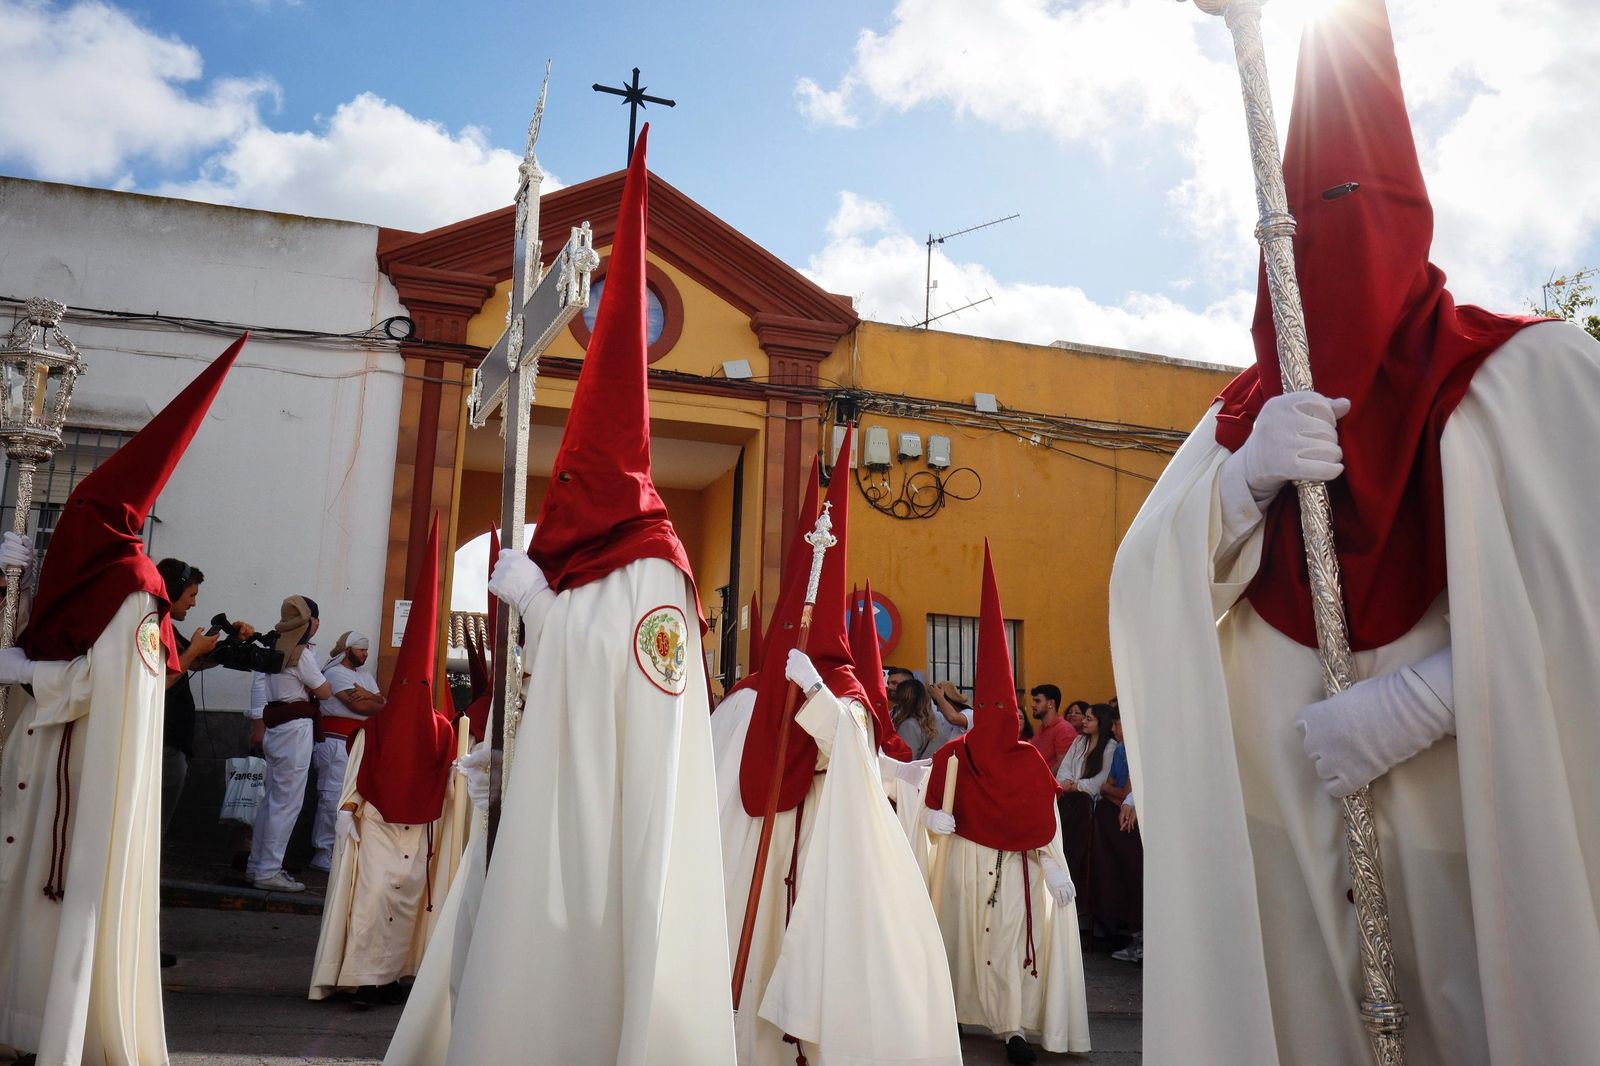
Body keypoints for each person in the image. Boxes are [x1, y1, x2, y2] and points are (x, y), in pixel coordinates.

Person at [1110, 2, 1600, 1061]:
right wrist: (1238, 488)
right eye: (1306, 219)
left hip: (1486, 835)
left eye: (1358, 209)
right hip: (1292, 854)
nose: (1331, 246)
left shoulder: (1536, 374)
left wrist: (1433, 695)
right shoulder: (1237, 421)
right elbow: (1142, 585)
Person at [393, 129, 737, 1065]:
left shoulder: (658, 565)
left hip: (608, 838)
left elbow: (644, 688)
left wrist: (542, 612)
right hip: (551, 794)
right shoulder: (592, 561)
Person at [0, 336, 245, 1065]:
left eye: (77, 510)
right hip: (46, 759)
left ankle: (55, 1033)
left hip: (81, 768)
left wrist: (22, 672)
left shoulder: (135, 590)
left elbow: (101, 683)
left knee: (57, 904)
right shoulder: (89, 582)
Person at [723, 424, 959, 1066]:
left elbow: (854, 753)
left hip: (821, 839)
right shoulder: (747, 694)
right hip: (756, 849)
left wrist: (821, 701)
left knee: (801, 951)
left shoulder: (846, 690)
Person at [924, 544, 1091, 1063]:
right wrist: (936, 820)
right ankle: (950, 1014)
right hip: (965, 866)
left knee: (1011, 948)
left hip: (1015, 866)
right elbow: (933, 811)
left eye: (1008, 709)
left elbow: (1043, 821)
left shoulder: (1028, 762)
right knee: (962, 942)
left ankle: (1013, 1027)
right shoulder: (954, 753)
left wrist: (1054, 866)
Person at [311, 517, 461, 1005]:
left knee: (409, 896)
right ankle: (363, 976)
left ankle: (400, 973)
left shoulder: (440, 729)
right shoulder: (377, 726)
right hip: (376, 823)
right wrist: (349, 812)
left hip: (417, 832)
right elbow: (357, 774)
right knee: (373, 897)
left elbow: (451, 780)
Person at [245, 594, 333, 892]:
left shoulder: (274, 648)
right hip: (294, 730)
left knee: (272, 801)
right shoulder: (301, 654)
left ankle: (256, 865)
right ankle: (268, 870)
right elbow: (324, 691)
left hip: (276, 727)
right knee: (286, 804)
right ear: (311, 622)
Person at [311, 629, 383, 872]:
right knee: (332, 796)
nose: (365, 654)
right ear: (347, 649)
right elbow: (362, 706)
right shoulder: (334, 673)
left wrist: (376, 699)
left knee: (352, 798)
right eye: (361, 649)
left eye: (366, 649)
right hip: (335, 742)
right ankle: (323, 852)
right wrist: (374, 700)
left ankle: (340, 849)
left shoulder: (365, 675)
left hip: (357, 743)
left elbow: (381, 702)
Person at [1092, 712, 1142, 962]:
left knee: (1135, 877)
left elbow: (1124, 792)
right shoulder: (1121, 751)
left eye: (1118, 724)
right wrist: (1118, 797)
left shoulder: (1137, 750)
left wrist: (1117, 797)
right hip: (1117, 817)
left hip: (1132, 827)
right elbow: (1109, 786)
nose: (1113, 729)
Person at [1054, 703, 1117, 893]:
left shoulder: (1110, 747)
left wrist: (1076, 786)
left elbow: (1101, 780)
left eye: (1089, 719)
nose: (1084, 721)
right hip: (1070, 797)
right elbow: (1065, 767)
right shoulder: (1079, 742)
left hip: (1089, 803)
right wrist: (1066, 782)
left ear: (1101, 723)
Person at [1025, 683, 1075, 775]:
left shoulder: (1064, 729)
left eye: (1037, 701)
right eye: (1033, 701)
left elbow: (1063, 765)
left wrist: (1041, 780)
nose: (1033, 705)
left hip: (1048, 786)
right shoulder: (1041, 729)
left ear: (1050, 704)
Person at [891, 677, 939, 759]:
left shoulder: (908, 725)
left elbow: (906, 759)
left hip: (913, 770)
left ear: (903, 700)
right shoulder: (931, 722)